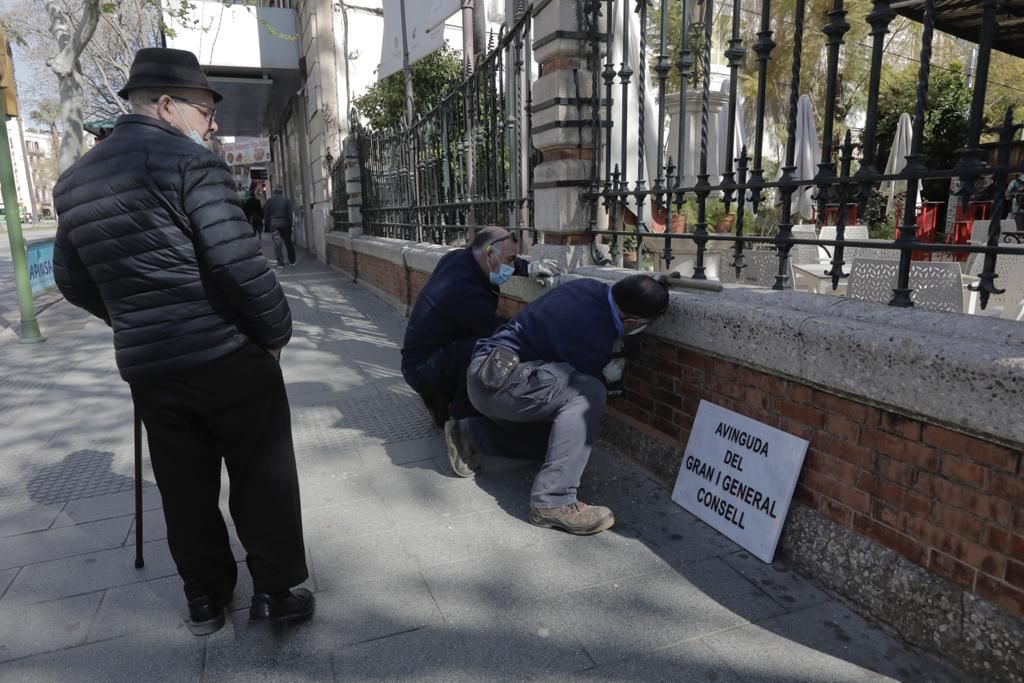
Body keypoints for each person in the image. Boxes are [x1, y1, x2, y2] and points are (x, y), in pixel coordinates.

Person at [51, 47, 313, 635]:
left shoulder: (73, 184)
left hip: (152, 370)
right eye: (204, 109)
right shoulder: (191, 165)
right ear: (167, 106)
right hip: (226, 354)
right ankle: (274, 594)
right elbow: (238, 263)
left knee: (183, 487)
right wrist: (274, 335)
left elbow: (72, 280)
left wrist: (132, 320)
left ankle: (205, 600)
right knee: (260, 475)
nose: (212, 124)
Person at [466, 274, 671, 535]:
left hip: (487, 373)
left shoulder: (588, 287)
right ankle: (553, 500)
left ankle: (469, 436)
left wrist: (660, 287)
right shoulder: (593, 332)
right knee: (590, 395)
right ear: (630, 321)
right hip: (498, 386)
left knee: (559, 445)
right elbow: (586, 383)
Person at [400, 228, 558, 475]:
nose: (512, 265)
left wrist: (527, 268)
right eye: (510, 260)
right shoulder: (463, 292)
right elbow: (502, 331)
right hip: (425, 368)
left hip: (424, 359)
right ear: (488, 254)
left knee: (470, 345)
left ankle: (440, 402)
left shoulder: (459, 259)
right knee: (489, 350)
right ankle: (463, 433)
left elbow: (504, 262)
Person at [265, 185, 296, 267]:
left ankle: (280, 263)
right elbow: (290, 214)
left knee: (277, 244)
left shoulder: (269, 201)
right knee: (288, 242)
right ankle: (292, 261)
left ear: (274, 192)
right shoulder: (286, 200)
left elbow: (266, 214)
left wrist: (267, 225)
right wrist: (291, 224)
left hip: (274, 224)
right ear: (282, 192)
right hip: (285, 223)